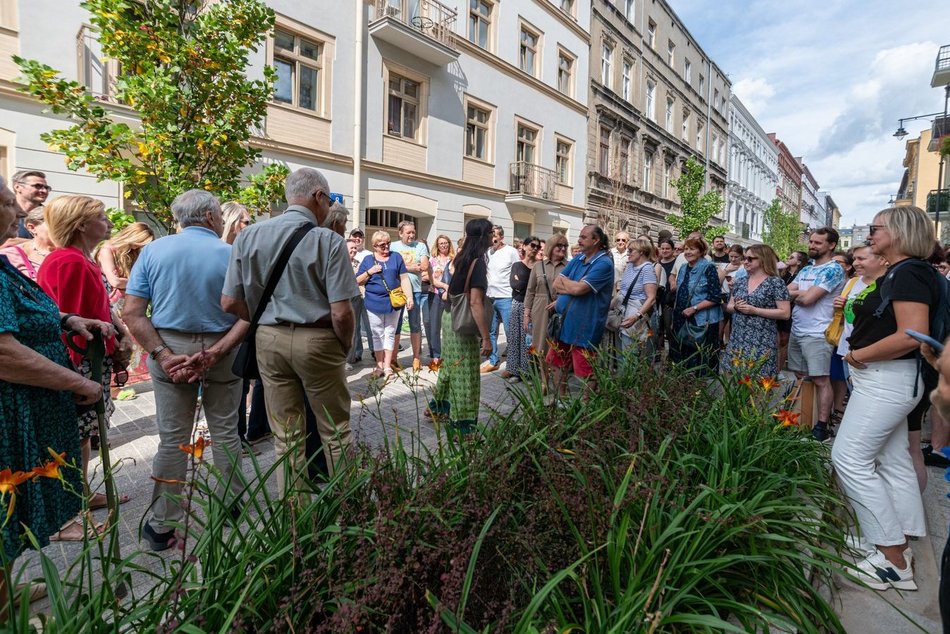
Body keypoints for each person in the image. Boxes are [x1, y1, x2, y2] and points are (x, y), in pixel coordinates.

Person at [0, 176, 110, 599]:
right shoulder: (64, 260)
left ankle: (6, 593)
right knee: (8, 500)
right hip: (15, 403)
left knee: (14, 501)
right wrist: (78, 380)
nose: (19, 211)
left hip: (33, 398)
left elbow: (35, 309)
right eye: (8, 202)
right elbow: (4, 351)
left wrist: (66, 319)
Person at [123, 190, 247, 551]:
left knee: (172, 437)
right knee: (225, 431)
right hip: (222, 348)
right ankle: (230, 505)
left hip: (170, 346)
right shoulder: (232, 254)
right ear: (209, 217)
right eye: (219, 215)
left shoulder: (154, 251)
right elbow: (249, 314)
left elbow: (132, 313)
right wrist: (218, 351)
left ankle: (163, 524)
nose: (222, 221)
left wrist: (163, 356)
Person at [222, 168, 357, 496]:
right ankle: (350, 505)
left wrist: (261, 319)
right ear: (318, 197)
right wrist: (344, 345)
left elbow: (229, 302)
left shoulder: (249, 236)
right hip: (319, 338)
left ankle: (294, 516)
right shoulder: (328, 240)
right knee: (335, 431)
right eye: (329, 200)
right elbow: (341, 311)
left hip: (269, 338)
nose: (328, 207)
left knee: (286, 437)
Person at [832, 205, 938, 591]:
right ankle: (899, 540)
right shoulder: (906, 271)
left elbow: (911, 334)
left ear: (899, 232)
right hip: (890, 379)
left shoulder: (908, 272)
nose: (870, 234)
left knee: (849, 458)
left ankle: (892, 559)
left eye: (876, 228)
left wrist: (858, 354)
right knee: (893, 460)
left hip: (887, 379)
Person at [36, 195, 134, 539]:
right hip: (79, 365)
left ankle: (81, 494)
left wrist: (121, 337)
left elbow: (99, 309)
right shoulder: (68, 261)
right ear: (81, 224)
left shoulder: (79, 259)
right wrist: (76, 379)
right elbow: (71, 326)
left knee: (85, 434)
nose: (109, 222)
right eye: (102, 216)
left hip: (90, 363)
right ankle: (69, 511)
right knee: (75, 434)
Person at [427, 219, 493, 430]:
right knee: (466, 374)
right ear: (482, 236)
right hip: (462, 322)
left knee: (450, 366)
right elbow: (475, 302)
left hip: (450, 317)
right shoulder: (478, 262)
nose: (493, 237)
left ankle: (439, 408)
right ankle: (462, 427)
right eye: (490, 233)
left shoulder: (462, 258)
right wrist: (486, 338)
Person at [787, 227, 846, 441]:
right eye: (811, 241)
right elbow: (786, 292)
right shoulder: (806, 269)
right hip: (798, 329)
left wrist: (799, 294)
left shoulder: (833, 270)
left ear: (831, 245)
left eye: (817, 243)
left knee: (821, 379)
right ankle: (804, 418)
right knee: (801, 376)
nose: (812, 245)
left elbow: (808, 300)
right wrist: (801, 293)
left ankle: (821, 426)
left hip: (818, 333)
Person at [547, 225, 614, 398]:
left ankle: (588, 405)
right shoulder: (579, 258)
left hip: (585, 325)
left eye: (584, 237)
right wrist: (575, 285)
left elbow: (579, 290)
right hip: (565, 322)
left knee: (585, 369)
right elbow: (556, 283)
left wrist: (572, 285)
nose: (579, 240)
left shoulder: (604, 263)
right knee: (556, 361)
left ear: (596, 240)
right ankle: (562, 399)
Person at [721, 244, 790, 377]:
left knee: (758, 382)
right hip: (738, 338)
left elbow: (785, 313)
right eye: (745, 258)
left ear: (763, 259)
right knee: (733, 380)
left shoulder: (775, 283)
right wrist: (736, 307)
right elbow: (729, 306)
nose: (746, 262)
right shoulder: (740, 281)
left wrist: (755, 310)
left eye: (750, 259)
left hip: (762, 339)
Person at [356, 231, 413, 379]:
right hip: (373, 303)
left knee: (390, 333)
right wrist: (369, 272)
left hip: (394, 303)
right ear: (375, 246)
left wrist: (409, 297)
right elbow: (357, 281)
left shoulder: (396, 257)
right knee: (377, 335)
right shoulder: (368, 260)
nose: (386, 246)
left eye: (388, 243)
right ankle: (379, 366)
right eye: (382, 245)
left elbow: (404, 278)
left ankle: (387, 366)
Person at [669, 237, 723, 375]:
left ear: (701, 251)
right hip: (681, 317)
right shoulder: (683, 267)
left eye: (692, 249)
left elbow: (715, 297)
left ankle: (700, 385)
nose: (687, 252)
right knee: (681, 355)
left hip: (700, 319)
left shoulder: (708, 267)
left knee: (700, 357)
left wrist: (694, 308)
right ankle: (683, 383)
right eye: (686, 249)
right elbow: (680, 292)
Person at [523, 235, 568, 391]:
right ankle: (544, 381)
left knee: (560, 347)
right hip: (540, 309)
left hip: (562, 310)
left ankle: (561, 385)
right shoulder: (538, 266)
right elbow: (530, 291)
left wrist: (562, 301)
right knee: (541, 347)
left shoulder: (569, 266)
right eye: (559, 245)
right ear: (551, 247)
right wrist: (526, 314)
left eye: (565, 246)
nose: (563, 248)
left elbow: (574, 290)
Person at [390, 221, 428, 372]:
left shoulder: (420, 246)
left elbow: (424, 266)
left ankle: (416, 358)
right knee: (396, 325)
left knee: (415, 324)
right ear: (400, 233)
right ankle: (393, 358)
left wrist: (403, 267)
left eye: (413, 232)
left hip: (416, 290)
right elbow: (392, 266)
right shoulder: (393, 246)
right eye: (408, 232)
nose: (411, 235)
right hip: (397, 291)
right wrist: (413, 267)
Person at [482, 225, 520, 373]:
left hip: (506, 297)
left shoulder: (511, 251)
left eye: (495, 236)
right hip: (490, 298)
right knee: (492, 332)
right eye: (491, 236)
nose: (492, 239)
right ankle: (493, 361)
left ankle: (513, 365)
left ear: (502, 237)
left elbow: (518, 271)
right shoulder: (488, 252)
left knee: (510, 332)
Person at [502, 236, 541, 381]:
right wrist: (529, 284)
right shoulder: (517, 265)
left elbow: (537, 287)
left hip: (532, 307)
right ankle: (513, 370)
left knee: (527, 340)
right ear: (524, 246)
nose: (535, 248)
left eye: (537, 246)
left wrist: (523, 283)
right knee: (514, 338)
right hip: (517, 305)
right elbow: (515, 285)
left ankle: (527, 373)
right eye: (532, 245)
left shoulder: (539, 266)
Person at [615, 237, 658, 355]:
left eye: (631, 250)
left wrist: (636, 317)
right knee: (620, 352)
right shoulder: (629, 266)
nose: (628, 253)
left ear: (641, 252)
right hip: (622, 311)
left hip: (634, 315)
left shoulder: (647, 269)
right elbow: (622, 292)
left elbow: (651, 298)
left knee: (629, 353)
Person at [96, 222, 155, 308]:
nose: (139, 247)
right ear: (132, 237)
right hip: (108, 303)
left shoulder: (133, 253)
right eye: (139, 243)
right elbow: (115, 282)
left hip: (125, 303)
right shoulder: (107, 250)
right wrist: (139, 282)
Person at [0, 207, 54, 279]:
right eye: (54, 224)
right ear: (32, 228)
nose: (62, 229)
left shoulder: (67, 253)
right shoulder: (9, 255)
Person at [427, 234, 454, 365]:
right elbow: (432, 280)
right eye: (441, 243)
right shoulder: (432, 260)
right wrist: (444, 286)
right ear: (437, 245)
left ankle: (449, 353)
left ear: (449, 244)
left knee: (450, 325)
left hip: (451, 296)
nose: (443, 245)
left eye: (445, 243)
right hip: (435, 295)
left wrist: (448, 290)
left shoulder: (454, 259)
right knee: (435, 326)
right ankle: (436, 355)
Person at [10, 170, 50, 240]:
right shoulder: (3, 211)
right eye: (38, 186)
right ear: (18, 187)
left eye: (46, 188)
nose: (44, 191)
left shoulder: (51, 215)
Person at [655, 238, 677, 357]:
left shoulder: (676, 263)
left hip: (670, 302)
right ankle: (658, 353)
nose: (664, 251)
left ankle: (671, 356)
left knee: (669, 330)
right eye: (662, 248)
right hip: (658, 300)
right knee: (657, 328)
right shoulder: (657, 263)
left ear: (673, 250)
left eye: (667, 248)